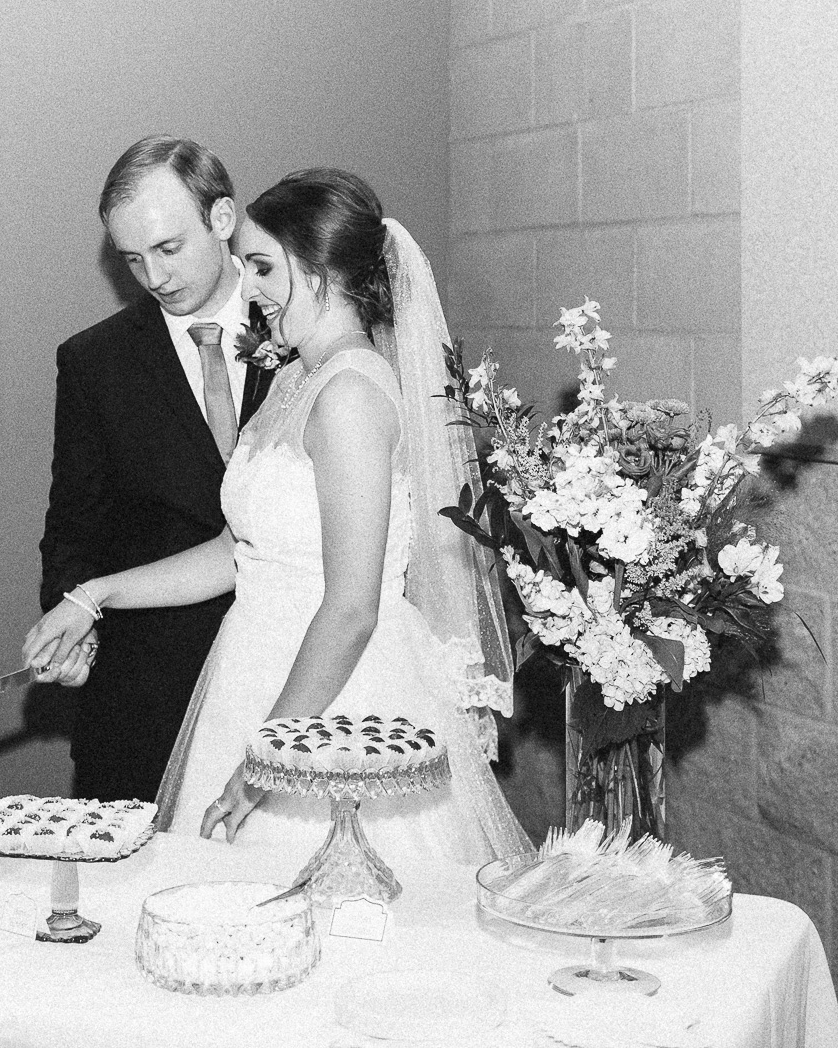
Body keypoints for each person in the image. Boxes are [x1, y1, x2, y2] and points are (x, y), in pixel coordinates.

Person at [26, 169, 529, 868]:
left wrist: (267, 760)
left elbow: (352, 607)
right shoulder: (297, 376)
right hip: (254, 669)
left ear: (322, 268)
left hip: (334, 700)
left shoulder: (350, 393)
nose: (250, 287)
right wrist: (96, 593)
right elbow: (239, 551)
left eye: (262, 267)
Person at [38, 135, 276, 803]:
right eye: (133, 260)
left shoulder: (304, 334)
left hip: (291, 674)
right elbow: (74, 525)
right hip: (150, 693)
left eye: (169, 249)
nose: (155, 278)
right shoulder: (94, 363)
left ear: (222, 219)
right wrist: (72, 621)